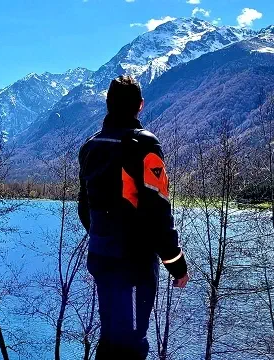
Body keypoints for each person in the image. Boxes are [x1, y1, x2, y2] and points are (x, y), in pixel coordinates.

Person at [78, 75, 189, 360]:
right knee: (133, 343)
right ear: (140, 105)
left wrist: (103, 237)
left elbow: (84, 209)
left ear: (107, 104)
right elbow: (158, 212)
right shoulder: (144, 145)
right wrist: (176, 265)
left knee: (111, 337)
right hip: (134, 263)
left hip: (101, 257)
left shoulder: (90, 146)